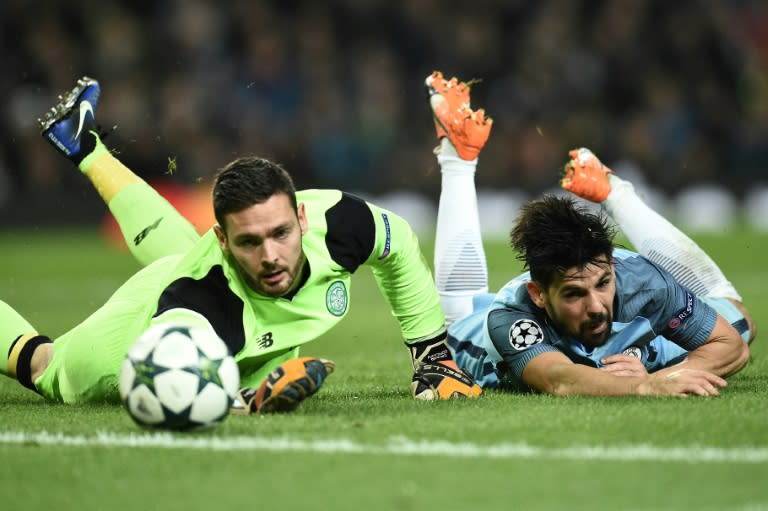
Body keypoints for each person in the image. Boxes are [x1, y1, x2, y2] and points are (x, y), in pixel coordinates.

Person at [0, 76, 481, 411]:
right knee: (46, 366)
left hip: (203, 281)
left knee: (178, 251)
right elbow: (173, 388)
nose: (271, 255)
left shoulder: (342, 222)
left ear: (302, 216)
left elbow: (398, 247)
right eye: (249, 242)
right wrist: (250, 401)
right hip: (143, 330)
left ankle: (85, 147)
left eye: (280, 233)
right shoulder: (199, 307)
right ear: (224, 243)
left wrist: (431, 357)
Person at [424, 71, 756, 397]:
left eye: (603, 284)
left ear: (613, 267)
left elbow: (731, 347)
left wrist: (669, 377)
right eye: (573, 294)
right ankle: (458, 159)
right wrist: (645, 384)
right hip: (490, 340)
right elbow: (560, 379)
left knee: (740, 321)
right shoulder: (511, 319)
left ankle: (616, 195)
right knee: (451, 335)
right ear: (539, 295)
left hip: (634, 349)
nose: (596, 306)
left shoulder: (640, 280)